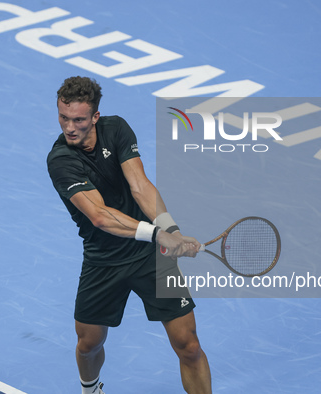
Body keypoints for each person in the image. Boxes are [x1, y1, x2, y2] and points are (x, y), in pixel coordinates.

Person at [47, 76, 212, 394]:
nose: (69, 127)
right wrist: (159, 235)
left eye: (78, 119)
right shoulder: (60, 160)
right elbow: (98, 216)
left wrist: (171, 230)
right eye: (63, 118)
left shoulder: (117, 129)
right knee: (88, 345)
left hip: (150, 257)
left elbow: (140, 186)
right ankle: (91, 389)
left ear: (95, 117)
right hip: (103, 260)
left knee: (189, 345)